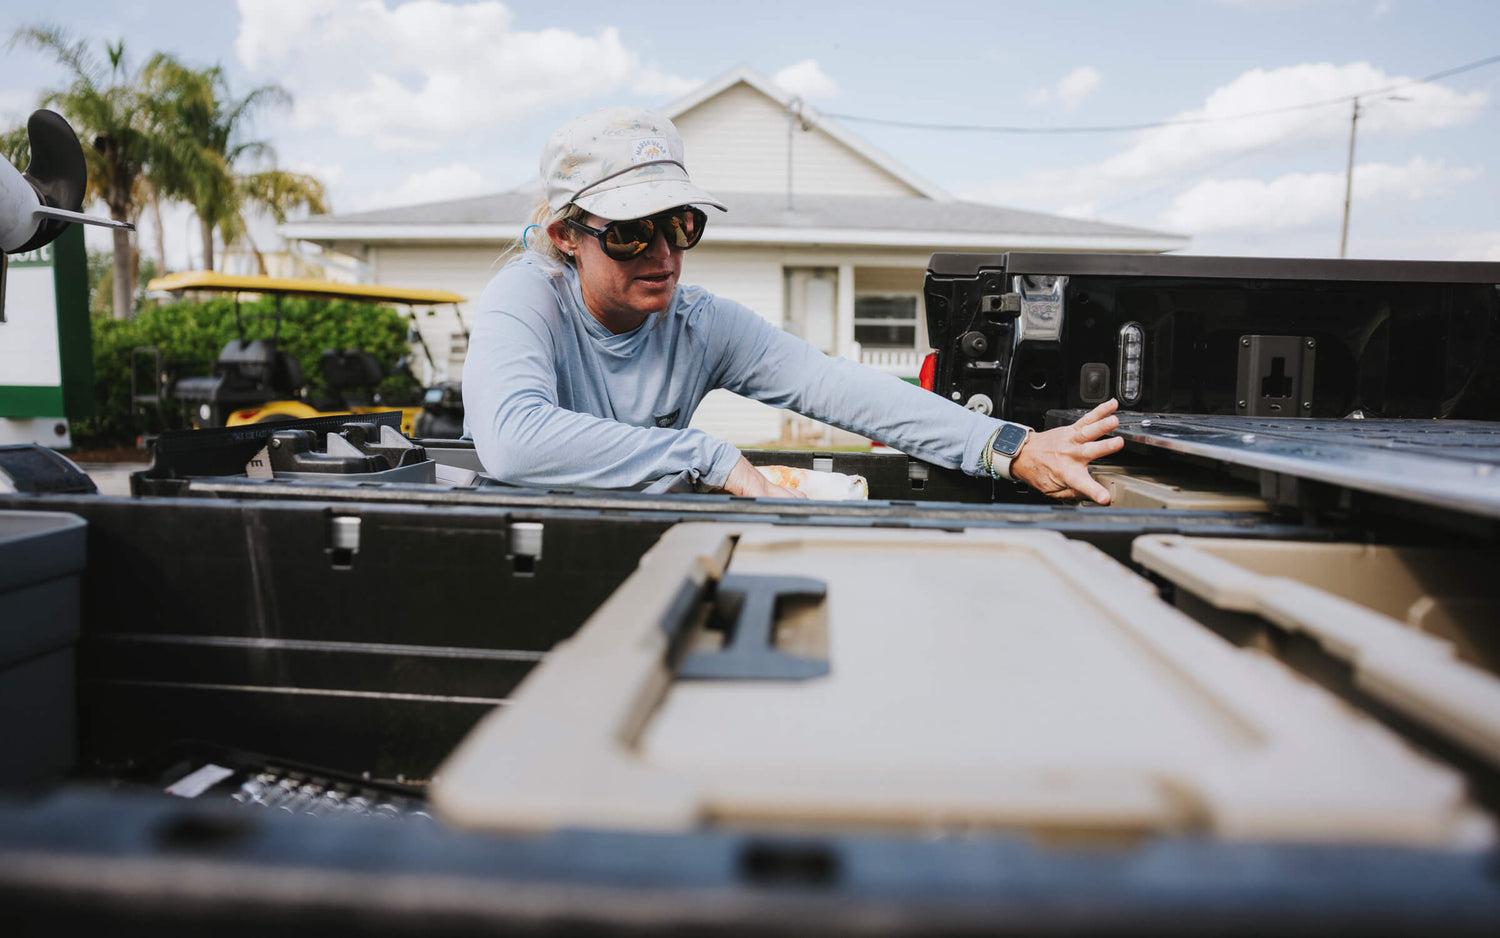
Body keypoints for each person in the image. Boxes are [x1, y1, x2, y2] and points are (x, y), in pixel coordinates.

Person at [463, 106, 1124, 501]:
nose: (662, 254)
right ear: (566, 238)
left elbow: (833, 384)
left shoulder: (700, 324)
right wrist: (708, 456)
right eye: (631, 232)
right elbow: (514, 441)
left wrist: (1010, 447)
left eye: (679, 225)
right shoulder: (525, 299)